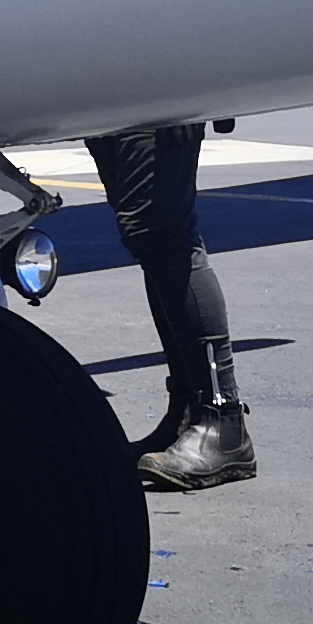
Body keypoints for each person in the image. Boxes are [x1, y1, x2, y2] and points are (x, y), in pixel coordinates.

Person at [87, 121, 256, 489]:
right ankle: (188, 412)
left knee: (163, 232)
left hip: (152, 94)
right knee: (149, 238)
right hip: (109, 98)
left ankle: (222, 422)